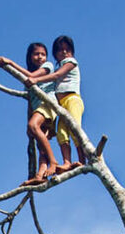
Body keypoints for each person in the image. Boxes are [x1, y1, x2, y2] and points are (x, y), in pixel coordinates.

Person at [0, 43, 61, 184]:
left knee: (34, 126)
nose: (40, 57)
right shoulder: (28, 82)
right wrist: (29, 121)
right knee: (40, 144)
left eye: (43, 54)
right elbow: (30, 101)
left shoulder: (48, 66)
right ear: (30, 57)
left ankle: (53, 162)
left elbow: (32, 75)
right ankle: (40, 175)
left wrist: (10, 62)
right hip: (38, 109)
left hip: (48, 104)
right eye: (36, 54)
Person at [26, 35, 85, 172]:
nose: (64, 52)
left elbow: (56, 76)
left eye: (67, 49)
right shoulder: (59, 66)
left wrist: (34, 80)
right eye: (60, 50)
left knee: (74, 128)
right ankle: (67, 162)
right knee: (62, 133)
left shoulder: (71, 62)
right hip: (60, 105)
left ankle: (82, 159)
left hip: (72, 99)